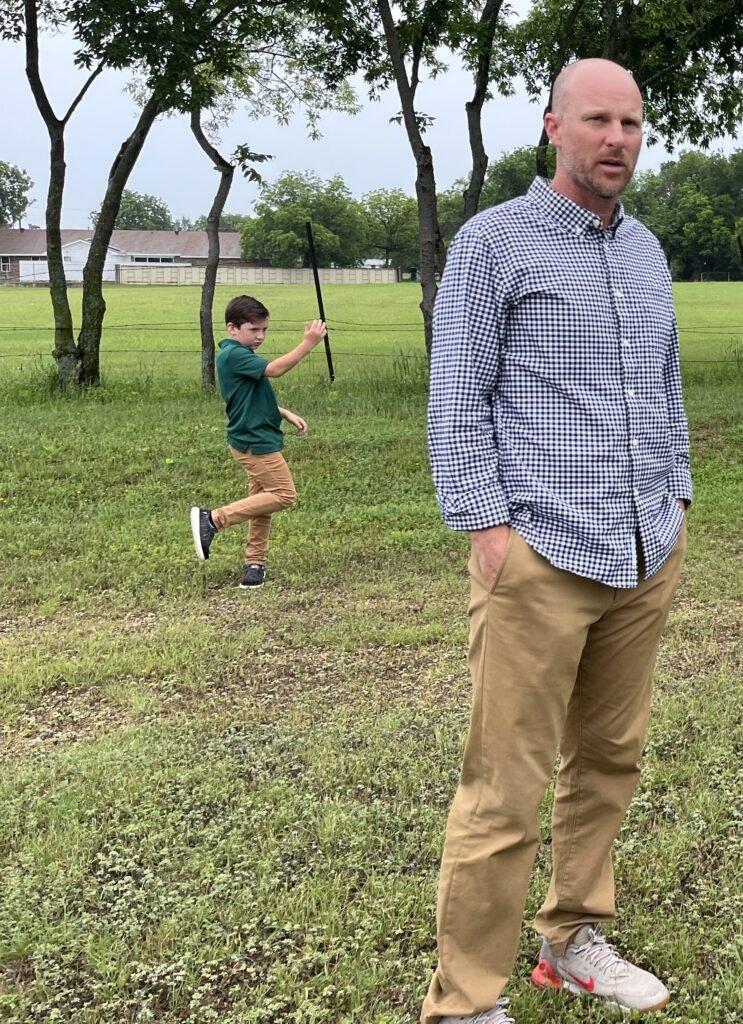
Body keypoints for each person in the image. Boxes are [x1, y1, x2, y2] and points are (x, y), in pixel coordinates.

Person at [423, 58, 691, 1024]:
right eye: (596, 120)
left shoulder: (646, 249)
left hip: (643, 547)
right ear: (552, 127)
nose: (616, 138)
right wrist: (488, 529)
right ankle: (464, 1002)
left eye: (630, 122)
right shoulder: (495, 244)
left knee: (609, 761)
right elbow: (457, 395)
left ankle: (573, 938)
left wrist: (677, 502)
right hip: (538, 556)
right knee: (503, 789)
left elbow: (662, 387)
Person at [190, 295, 326, 589]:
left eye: (265, 330)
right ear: (232, 328)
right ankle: (213, 520)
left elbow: (246, 397)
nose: (261, 336)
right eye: (254, 330)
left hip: (257, 435)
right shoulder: (233, 355)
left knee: (261, 503)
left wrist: (284, 412)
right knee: (284, 495)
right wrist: (309, 343)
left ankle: (255, 564)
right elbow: (275, 370)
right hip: (255, 442)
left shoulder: (238, 356)